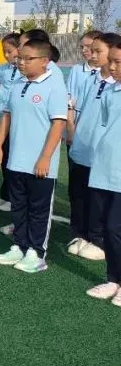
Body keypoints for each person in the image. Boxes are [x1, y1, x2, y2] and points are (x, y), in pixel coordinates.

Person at [0, 38, 68, 273]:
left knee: (38, 210)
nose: (21, 62)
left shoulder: (54, 86)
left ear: (44, 61)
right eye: (20, 58)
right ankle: (19, 246)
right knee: (19, 206)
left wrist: (45, 157)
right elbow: (7, 116)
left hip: (40, 164)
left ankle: (36, 253)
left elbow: (58, 124)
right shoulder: (17, 84)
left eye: (27, 58)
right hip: (16, 160)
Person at [66, 32, 115, 261]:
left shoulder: (117, 85)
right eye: (91, 50)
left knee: (99, 199)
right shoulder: (90, 79)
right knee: (78, 194)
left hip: (101, 153)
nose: (92, 55)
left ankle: (99, 240)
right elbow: (77, 109)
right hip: (81, 148)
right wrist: (73, 133)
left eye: (98, 51)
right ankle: (80, 234)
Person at [84, 35, 121, 305]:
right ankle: (113, 279)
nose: (113, 67)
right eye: (113, 62)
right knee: (107, 229)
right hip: (105, 169)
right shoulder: (111, 92)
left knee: (115, 228)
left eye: (118, 62)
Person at [0, 33, 21, 212]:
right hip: (1, 120)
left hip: (17, 123)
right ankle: (5, 195)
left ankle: (13, 198)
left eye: (10, 51)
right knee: (4, 159)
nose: (6, 55)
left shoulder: (25, 70)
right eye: (4, 51)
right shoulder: (3, 69)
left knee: (13, 161)